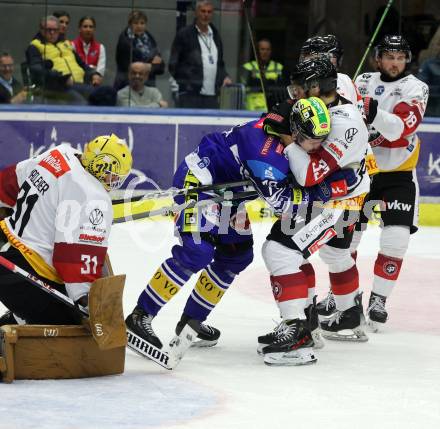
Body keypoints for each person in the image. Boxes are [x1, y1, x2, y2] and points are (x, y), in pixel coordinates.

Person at [125, 96, 357, 352]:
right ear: (295, 133)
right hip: (201, 181)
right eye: (313, 141)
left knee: (237, 256)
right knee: (196, 251)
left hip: (230, 196)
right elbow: (283, 204)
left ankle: (191, 320)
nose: (317, 148)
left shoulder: (285, 136)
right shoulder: (265, 155)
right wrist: (325, 190)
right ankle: (140, 316)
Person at [259, 58, 370, 365]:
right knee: (291, 253)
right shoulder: (325, 108)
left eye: (302, 86)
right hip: (325, 199)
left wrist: (287, 136)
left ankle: (297, 336)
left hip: (340, 203)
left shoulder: (345, 123)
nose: (296, 93)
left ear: (318, 87)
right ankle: (305, 323)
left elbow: (309, 175)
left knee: (281, 253)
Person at [0, 134, 132, 326]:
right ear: (100, 166)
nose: (114, 181)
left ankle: (18, 317)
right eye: (113, 175)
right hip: (23, 275)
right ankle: (19, 320)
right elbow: (72, 260)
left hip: (5, 243)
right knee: (72, 325)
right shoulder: (91, 195)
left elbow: (13, 179)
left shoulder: (59, 154)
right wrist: (88, 304)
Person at [352, 35, 429, 330]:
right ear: (378, 58)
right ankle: (342, 295)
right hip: (362, 173)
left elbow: (401, 128)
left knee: (396, 241)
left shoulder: (416, 88)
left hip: (398, 175)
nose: (395, 63)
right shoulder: (363, 80)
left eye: (400, 57)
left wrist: (370, 111)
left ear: (407, 60)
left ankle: (379, 299)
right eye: (389, 57)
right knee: (347, 241)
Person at [169, 0, 232, 109]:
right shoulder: (185, 34)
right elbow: (173, 64)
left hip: (212, 96)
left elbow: (220, 63)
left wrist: (224, 76)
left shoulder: (215, 35)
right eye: (203, 11)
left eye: (209, 12)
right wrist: (188, 82)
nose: (206, 15)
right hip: (190, 95)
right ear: (196, 13)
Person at [26, 16, 103, 104]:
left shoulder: (65, 44)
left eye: (55, 30)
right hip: (58, 87)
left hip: (79, 84)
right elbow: (36, 70)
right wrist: (60, 78)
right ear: (42, 30)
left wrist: (94, 74)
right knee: (82, 102)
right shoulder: (35, 46)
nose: (52, 33)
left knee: (106, 94)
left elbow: (82, 64)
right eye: (48, 30)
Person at [115, 10, 165, 90]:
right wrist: (149, 66)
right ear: (130, 24)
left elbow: (161, 66)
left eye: (142, 23)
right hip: (129, 86)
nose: (139, 26)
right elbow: (127, 67)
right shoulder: (124, 42)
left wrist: (151, 67)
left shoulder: (148, 37)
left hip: (149, 85)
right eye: (135, 23)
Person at [240, 38, 285, 111]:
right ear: (257, 51)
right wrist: (271, 82)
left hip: (272, 109)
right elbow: (247, 86)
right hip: (252, 110)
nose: (265, 52)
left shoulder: (279, 67)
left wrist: (258, 82)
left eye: (268, 49)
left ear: (271, 51)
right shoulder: (248, 67)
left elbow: (282, 87)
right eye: (262, 49)